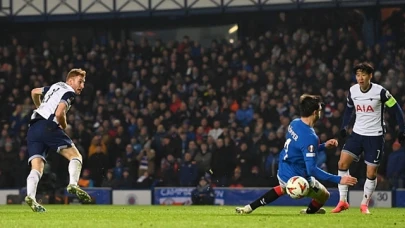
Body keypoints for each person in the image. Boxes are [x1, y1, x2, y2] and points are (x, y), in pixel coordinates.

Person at [235, 94, 357, 214]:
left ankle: (249, 207)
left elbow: (300, 148)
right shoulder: (310, 137)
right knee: (324, 195)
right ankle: (309, 212)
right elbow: (312, 169)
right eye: (320, 109)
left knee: (283, 188)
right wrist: (339, 179)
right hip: (298, 177)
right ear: (315, 112)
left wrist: (323, 146)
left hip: (283, 168)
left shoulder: (294, 123)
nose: (321, 112)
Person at [333, 62, 405, 214]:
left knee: (371, 174)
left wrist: (402, 129)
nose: (360, 78)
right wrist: (344, 127)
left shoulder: (380, 92)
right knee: (342, 163)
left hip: (375, 136)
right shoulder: (353, 91)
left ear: (370, 76)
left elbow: (397, 110)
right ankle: (342, 201)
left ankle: (364, 204)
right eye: (358, 75)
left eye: (363, 74)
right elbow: (348, 110)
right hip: (357, 134)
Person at [25, 68, 91, 212]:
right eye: (80, 82)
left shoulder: (55, 86)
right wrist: (64, 125)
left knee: (37, 168)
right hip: (49, 126)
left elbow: (34, 91)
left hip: (34, 127)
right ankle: (73, 184)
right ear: (70, 81)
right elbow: (59, 112)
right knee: (76, 156)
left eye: (83, 83)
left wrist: (39, 107)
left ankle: (31, 196)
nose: (82, 86)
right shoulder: (69, 92)